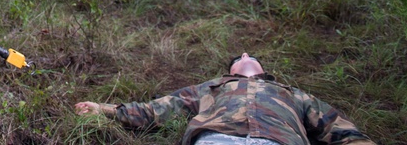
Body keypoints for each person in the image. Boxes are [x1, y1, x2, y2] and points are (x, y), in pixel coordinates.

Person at [74, 53, 377, 145]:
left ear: (262, 68)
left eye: (250, 55)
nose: (245, 55)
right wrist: (104, 109)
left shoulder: (291, 94)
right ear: (231, 70)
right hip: (217, 140)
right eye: (240, 56)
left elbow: (340, 130)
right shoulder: (210, 88)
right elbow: (157, 110)